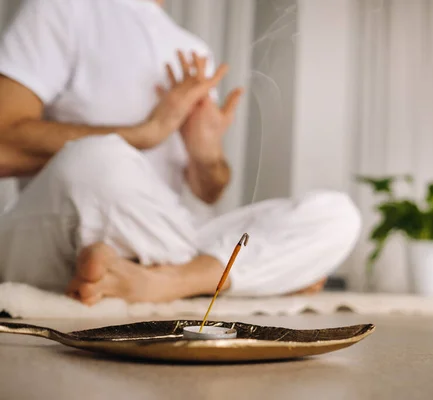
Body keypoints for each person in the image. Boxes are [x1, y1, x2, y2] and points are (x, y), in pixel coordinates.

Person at [0, 0, 361, 305]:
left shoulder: (192, 49)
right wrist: (145, 133)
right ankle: (231, 279)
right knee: (96, 158)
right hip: (58, 240)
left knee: (336, 215)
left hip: (163, 236)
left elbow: (210, 190)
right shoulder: (60, 9)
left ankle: (167, 282)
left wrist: (206, 157)